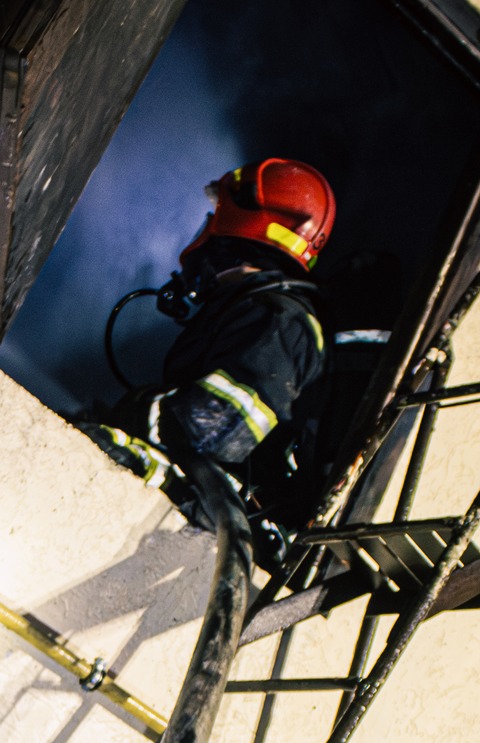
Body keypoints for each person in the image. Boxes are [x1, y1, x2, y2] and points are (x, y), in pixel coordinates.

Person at [85, 159, 337, 569]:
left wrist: (135, 409)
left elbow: (214, 427)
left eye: (217, 211)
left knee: (100, 446)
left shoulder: (282, 319)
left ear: (242, 216)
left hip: (232, 517)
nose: (208, 224)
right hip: (211, 503)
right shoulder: (258, 310)